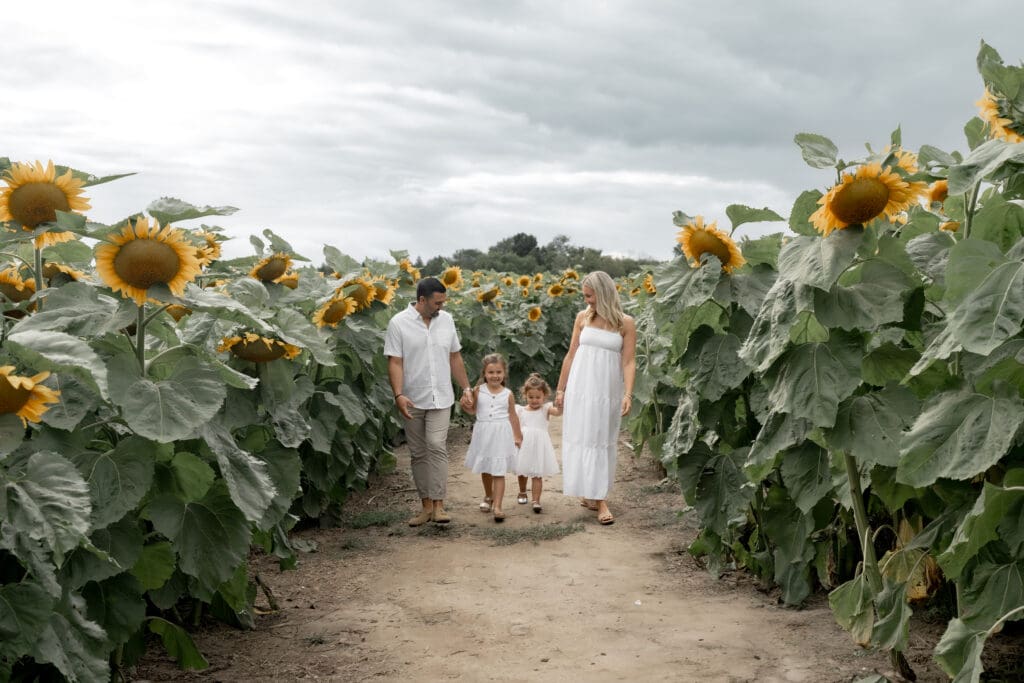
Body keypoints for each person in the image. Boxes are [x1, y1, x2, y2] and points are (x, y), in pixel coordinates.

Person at [385, 276, 474, 526]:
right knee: (418, 453)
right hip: (413, 398)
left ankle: (439, 504)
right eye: (437, 303)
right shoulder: (398, 323)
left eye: (443, 302)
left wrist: (465, 387)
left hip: (442, 396)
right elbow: (395, 362)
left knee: (436, 444)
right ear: (422, 300)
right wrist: (398, 394)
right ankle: (425, 506)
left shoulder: (446, 321)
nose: (441, 307)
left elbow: (454, 356)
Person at [554, 271, 636, 526]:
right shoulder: (582, 318)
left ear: (603, 293)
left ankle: (598, 497)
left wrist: (628, 394)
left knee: (602, 439)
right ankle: (593, 495)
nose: (587, 301)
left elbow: (629, 361)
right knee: (583, 436)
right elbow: (570, 355)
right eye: (585, 296)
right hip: (581, 387)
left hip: (606, 390)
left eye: (589, 296)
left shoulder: (625, 323)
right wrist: (560, 389)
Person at [462, 353, 523, 522]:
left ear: (504, 374)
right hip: (484, 433)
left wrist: (517, 436)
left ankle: (498, 506)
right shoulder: (478, 391)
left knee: (498, 470)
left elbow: (512, 416)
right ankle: (488, 496)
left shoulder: (508, 394)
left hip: (501, 434)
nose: (495, 376)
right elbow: (473, 410)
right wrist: (464, 405)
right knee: (486, 467)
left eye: (498, 372)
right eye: (491, 372)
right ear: (484, 374)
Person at [513, 373, 561, 513]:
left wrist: (561, 404)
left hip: (540, 445)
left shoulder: (546, 409)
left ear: (544, 396)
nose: (534, 400)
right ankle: (522, 491)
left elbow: (557, 412)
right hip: (524, 444)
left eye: (538, 397)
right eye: (531, 397)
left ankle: (536, 500)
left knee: (537, 473)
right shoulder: (521, 410)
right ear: (525, 396)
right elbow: (515, 425)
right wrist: (516, 438)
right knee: (522, 471)